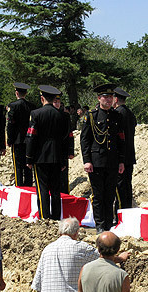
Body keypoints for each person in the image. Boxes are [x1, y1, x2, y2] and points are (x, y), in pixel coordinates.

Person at [81, 84, 125, 233]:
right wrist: (87, 160)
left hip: (112, 161)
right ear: (99, 98)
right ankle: (100, 224)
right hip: (96, 162)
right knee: (98, 195)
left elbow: (120, 140)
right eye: (105, 97)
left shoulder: (116, 116)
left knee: (110, 194)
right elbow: (85, 140)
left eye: (110, 97)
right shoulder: (91, 116)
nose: (108, 99)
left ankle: (108, 223)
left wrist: (121, 161)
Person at [26, 85, 67, 220]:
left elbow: (31, 137)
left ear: (42, 98)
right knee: (55, 190)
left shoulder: (36, 114)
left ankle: (44, 217)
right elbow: (64, 138)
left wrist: (29, 158)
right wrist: (63, 159)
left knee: (42, 189)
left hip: (40, 156)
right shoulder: (62, 115)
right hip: (57, 157)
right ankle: (56, 217)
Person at [6, 82, 36, 187]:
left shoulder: (13, 106)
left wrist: (10, 139)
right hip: (29, 139)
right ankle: (28, 186)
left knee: (18, 166)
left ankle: (19, 186)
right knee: (28, 165)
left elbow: (10, 124)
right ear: (26, 93)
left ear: (16, 93)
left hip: (17, 139)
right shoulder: (32, 106)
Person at [113, 87, 137, 217]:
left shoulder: (117, 114)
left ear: (115, 99)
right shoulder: (129, 113)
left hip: (120, 157)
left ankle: (120, 216)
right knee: (127, 187)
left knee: (120, 189)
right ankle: (127, 215)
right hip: (129, 156)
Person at [52, 96, 74, 195]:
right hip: (50, 152)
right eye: (54, 102)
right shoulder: (46, 113)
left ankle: (64, 196)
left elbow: (70, 134)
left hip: (63, 150)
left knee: (63, 178)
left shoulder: (65, 116)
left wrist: (71, 151)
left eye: (58, 102)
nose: (57, 104)